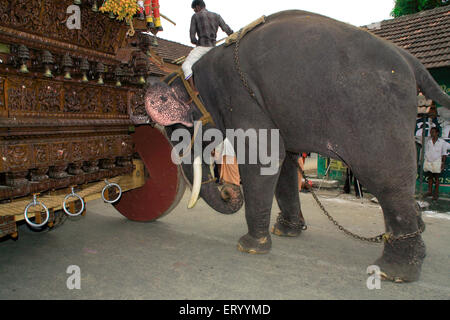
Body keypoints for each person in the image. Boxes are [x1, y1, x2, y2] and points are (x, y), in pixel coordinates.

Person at [181, 0, 234, 93]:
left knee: (186, 65)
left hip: (202, 47)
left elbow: (192, 38)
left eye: (194, 9)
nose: (195, 11)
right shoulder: (217, 16)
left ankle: (193, 89)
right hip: (214, 48)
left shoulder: (195, 16)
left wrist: (198, 42)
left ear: (197, 7)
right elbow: (228, 30)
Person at [423, 127, 448, 200]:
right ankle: (430, 191)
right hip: (429, 160)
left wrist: (443, 163)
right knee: (430, 176)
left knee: (437, 178)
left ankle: (436, 194)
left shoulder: (442, 142)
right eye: (431, 132)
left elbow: (444, 153)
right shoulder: (428, 141)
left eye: (433, 132)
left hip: (437, 161)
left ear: (437, 133)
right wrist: (426, 159)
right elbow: (426, 151)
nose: (431, 133)